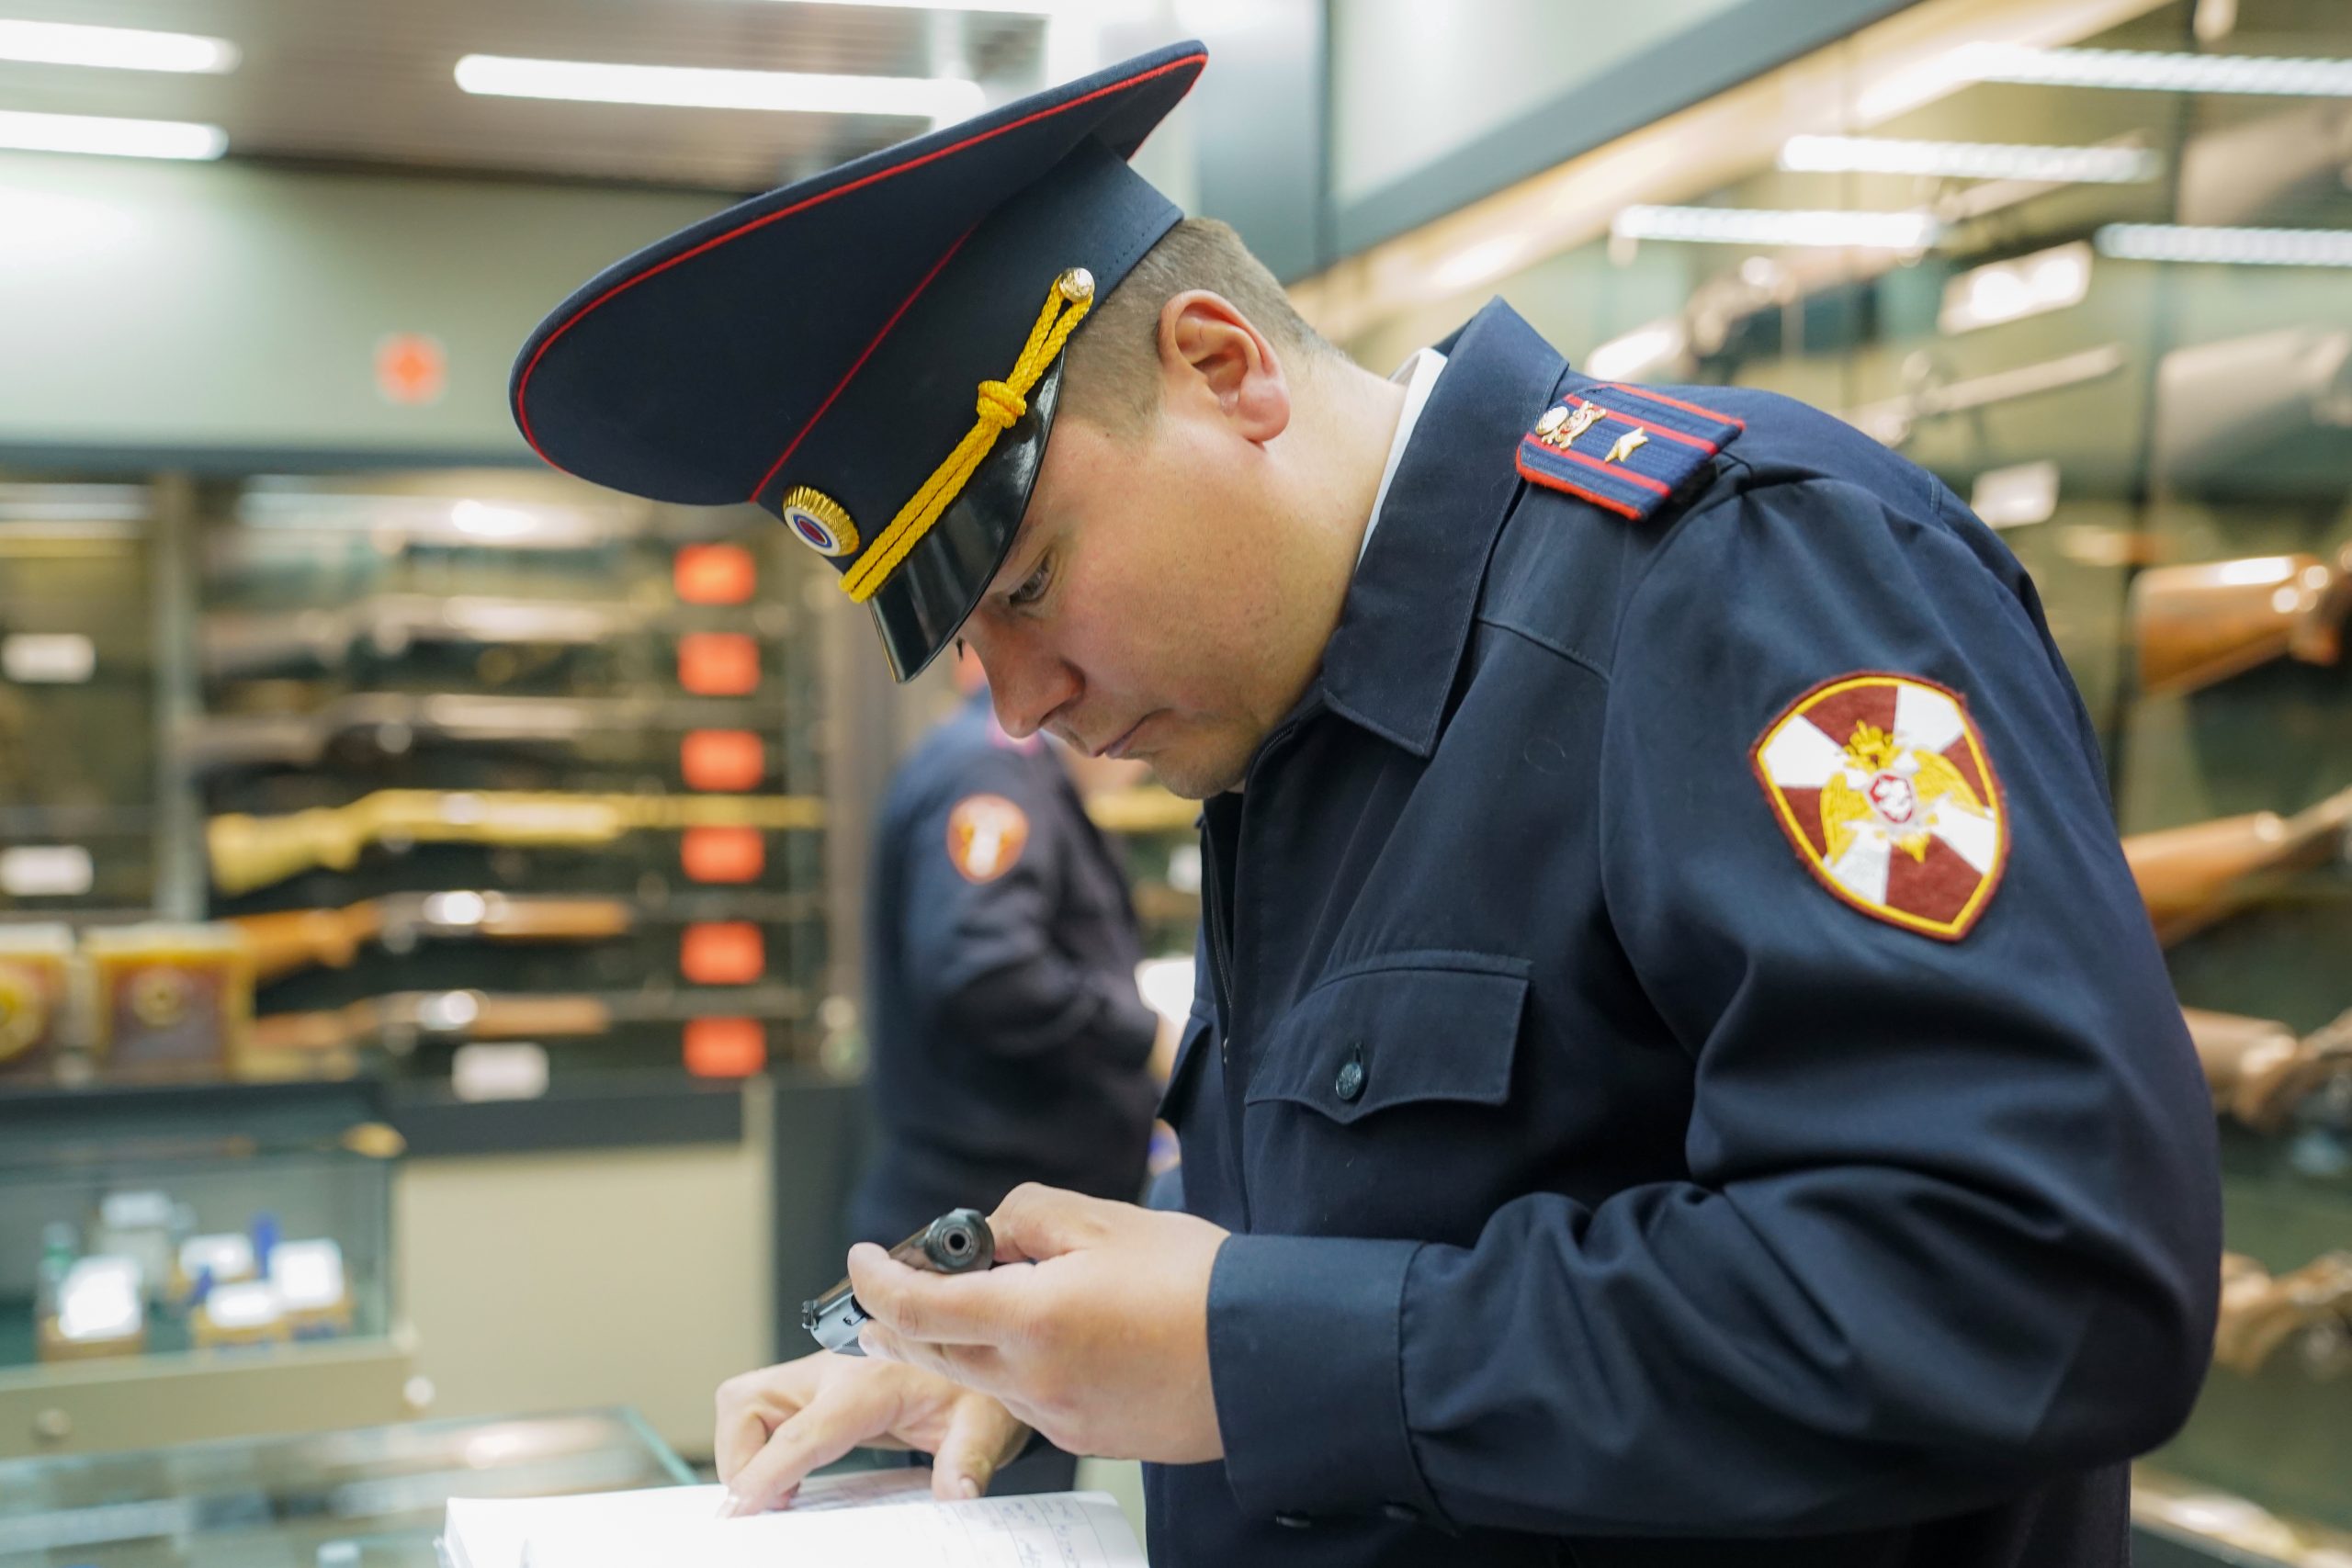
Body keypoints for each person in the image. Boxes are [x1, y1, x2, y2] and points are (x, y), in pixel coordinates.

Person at [512, 40, 2222, 1568]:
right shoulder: (1298, 722)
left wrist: (1243, 1347)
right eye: (969, 640)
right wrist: (1047, 1362)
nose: (1018, 706)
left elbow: (2026, 1282)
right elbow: (1421, 1232)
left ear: (1223, 363)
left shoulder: (1739, 583)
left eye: (1024, 586)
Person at [850, 644, 1165, 1493]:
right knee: (971, 1509)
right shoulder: (993, 777)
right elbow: (983, 967)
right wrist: (1143, 1040)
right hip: (974, 1231)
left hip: (993, 1225)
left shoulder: (1002, 771)